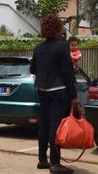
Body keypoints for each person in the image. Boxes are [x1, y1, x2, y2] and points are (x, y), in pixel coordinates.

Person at [30, 15, 80, 174]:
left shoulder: (38, 48)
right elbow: (67, 73)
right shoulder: (62, 47)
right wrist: (74, 96)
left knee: (44, 124)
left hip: (42, 90)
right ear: (58, 29)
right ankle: (55, 163)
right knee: (55, 126)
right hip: (59, 91)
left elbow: (32, 70)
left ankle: (42, 160)